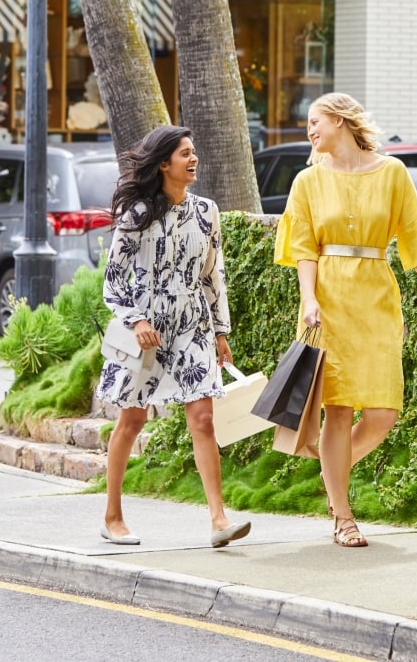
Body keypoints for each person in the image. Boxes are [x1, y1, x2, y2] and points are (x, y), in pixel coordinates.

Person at [274, 93, 417, 548]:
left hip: (376, 297)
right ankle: (343, 514)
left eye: (315, 121)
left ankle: (332, 472)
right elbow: (303, 249)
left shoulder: (391, 172)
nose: (309, 130)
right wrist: (308, 299)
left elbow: (415, 234)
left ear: (339, 119)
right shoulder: (307, 181)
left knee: (383, 412)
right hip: (327, 300)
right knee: (338, 408)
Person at [96, 125, 251, 549]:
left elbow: (211, 275)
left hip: (193, 324)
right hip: (145, 330)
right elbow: (112, 280)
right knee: (132, 420)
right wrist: (135, 320)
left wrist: (220, 331)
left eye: (193, 151)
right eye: (185, 153)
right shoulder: (138, 215)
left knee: (202, 418)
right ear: (164, 163)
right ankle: (112, 516)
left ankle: (219, 520)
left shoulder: (207, 211)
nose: (193, 158)